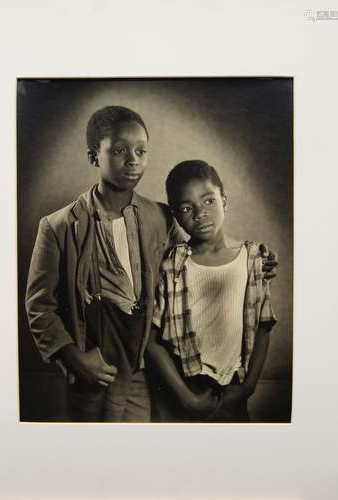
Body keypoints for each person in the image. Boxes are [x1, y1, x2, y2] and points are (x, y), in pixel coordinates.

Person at [25, 106, 278, 422]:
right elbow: (39, 307)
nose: (132, 160)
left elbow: (199, 258)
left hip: (147, 370)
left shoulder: (162, 217)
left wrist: (255, 259)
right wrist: (73, 357)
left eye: (140, 151)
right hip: (96, 368)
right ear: (94, 157)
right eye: (119, 151)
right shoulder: (58, 226)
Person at [146, 160, 277, 422]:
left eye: (208, 201)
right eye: (187, 208)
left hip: (234, 388)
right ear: (176, 216)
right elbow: (151, 340)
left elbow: (263, 327)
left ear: (224, 201)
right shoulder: (174, 264)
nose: (200, 214)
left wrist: (248, 388)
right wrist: (186, 396)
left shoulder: (252, 259)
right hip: (184, 386)